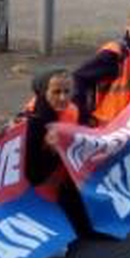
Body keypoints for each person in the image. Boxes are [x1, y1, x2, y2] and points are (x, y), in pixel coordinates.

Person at [17, 66, 90, 232]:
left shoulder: (74, 110)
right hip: (38, 190)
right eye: (56, 92)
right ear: (43, 93)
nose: (63, 97)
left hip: (66, 182)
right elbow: (31, 175)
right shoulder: (31, 122)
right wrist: (52, 152)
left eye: (67, 91)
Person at [71, 2, 130, 127]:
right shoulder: (115, 54)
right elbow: (78, 77)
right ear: (128, 25)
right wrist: (83, 118)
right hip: (108, 130)